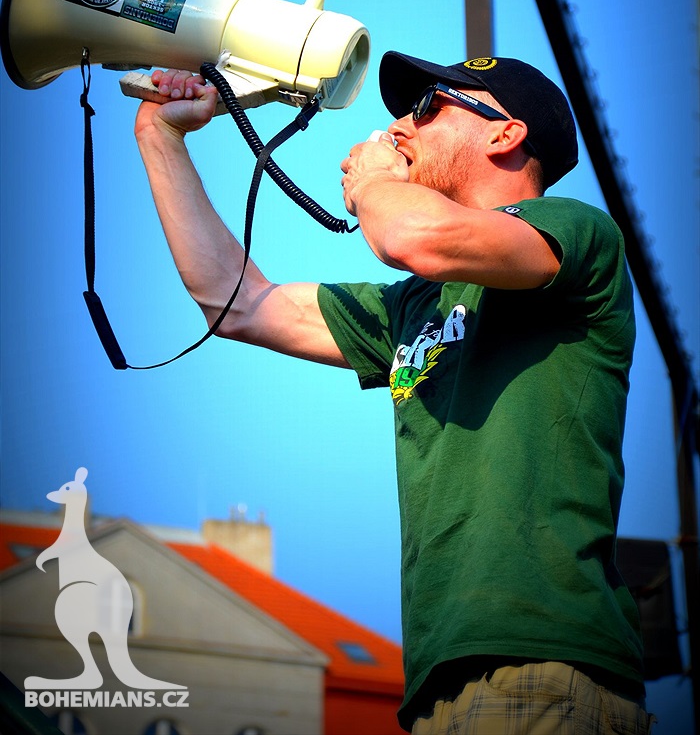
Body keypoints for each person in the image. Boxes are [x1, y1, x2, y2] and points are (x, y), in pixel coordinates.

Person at [135, 52, 654, 735]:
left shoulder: (578, 232)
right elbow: (237, 302)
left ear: (504, 134)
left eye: (429, 105)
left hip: (541, 663)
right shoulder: (415, 305)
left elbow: (414, 236)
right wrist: (160, 135)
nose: (399, 126)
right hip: (438, 687)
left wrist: (377, 182)